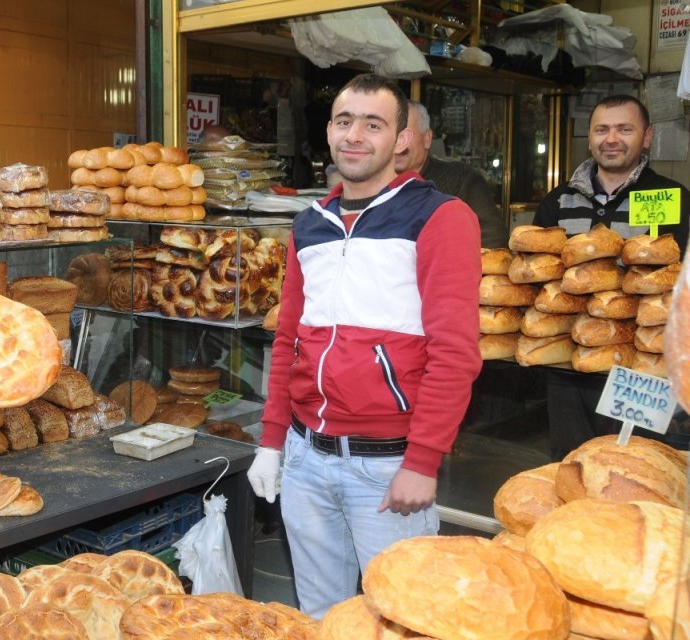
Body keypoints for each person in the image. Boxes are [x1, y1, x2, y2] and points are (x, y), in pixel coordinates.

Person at [246, 74, 482, 618]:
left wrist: (422, 461)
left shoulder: (440, 218)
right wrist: (272, 441)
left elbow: (455, 353)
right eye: (345, 121)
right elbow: (289, 340)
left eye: (373, 124)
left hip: (386, 467)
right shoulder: (310, 224)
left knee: (401, 617)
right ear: (329, 132)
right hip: (306, 460)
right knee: (323, 615)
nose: (356, 135)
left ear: (401, 140)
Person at [533, 94, 690, 460]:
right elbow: (536, 287)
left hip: (643, 372)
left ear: (646, 137)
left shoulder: (674, 199)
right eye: (602, 129)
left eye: (625, 129)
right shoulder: (557, 202)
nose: (612, 138)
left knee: (636, 466)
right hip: (570, 368)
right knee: (572, 464)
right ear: (589, 137)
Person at [395, 100, 508, 249]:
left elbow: (493, 241)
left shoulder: (461, 180)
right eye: (393, 133)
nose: (398, 143)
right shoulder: (371, 183)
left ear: (427, 139)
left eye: (406, 134)